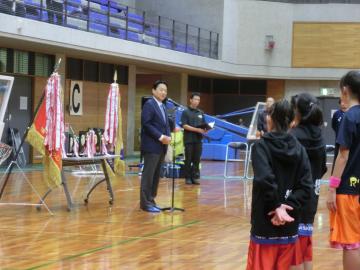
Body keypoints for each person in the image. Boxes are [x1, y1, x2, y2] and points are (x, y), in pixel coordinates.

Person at [246, 99, 313, 270]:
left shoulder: (261, 147)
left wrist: (277, 207)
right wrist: (287, 207)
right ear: (292, 122)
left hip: (265, 222)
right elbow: (306, 187)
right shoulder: (300, 149)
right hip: (289, 223)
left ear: (270, 119)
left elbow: (264, 179)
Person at [289, 93, 327, 270]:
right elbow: (323, 168)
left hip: (294, 198)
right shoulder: (319, 136)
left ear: (297, 111)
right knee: (306, 249)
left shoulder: (293, 136)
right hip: (312, 198)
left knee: (293, 252)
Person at [327, 71, 360, 270]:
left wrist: (332, 188)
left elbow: (342, 156)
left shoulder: (349, 117)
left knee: (352, 243)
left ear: (345, 90)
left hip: (349, 189)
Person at [140, 80, 171, 213]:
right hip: (152, 146)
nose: (163, 92)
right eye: (160, 89)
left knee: (156, 176)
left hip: (161, 147)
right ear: (153, 91)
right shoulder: (149, 104)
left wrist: (168, 137)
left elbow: (165, 125)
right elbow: (146, 124)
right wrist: (160, 137)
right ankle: (145, 203)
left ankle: (151, 200)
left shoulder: (162, 106)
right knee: (148, 176)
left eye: (165, 90)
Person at [180, 92, 206, 185]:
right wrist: (197, 130)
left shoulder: (201, 112)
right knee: (188, 159)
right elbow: (184, 125)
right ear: (190, 100)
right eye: (195, 99)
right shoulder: (185, 112)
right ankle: (187, 177)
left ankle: (195, 177)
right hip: (188, 140)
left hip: (198, 140)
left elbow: (203, 126)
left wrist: (205, 129)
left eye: (198, 100)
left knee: (196, 159)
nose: (197, 101)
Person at [331, 97, 348, 174]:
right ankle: (334, 175)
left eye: (345, 102)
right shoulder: (336, 114)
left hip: (349, 141)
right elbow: (334, 126)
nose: (343, 104)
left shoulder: (351, 113)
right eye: (342, 102)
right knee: (337, 158)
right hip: (338, 141)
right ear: (339, 103)